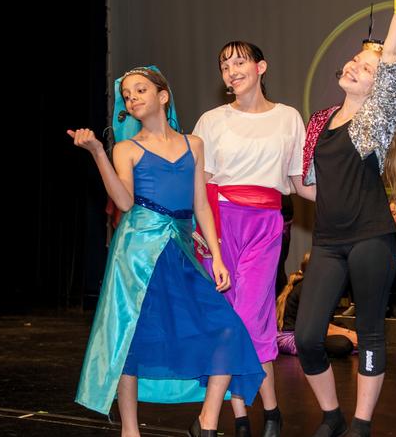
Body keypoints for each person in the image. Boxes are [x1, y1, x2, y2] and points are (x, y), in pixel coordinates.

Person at [68, 66, 264, 437]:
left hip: (180, 248)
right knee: (131, 338)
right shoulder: (125, 148)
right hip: (136, 254)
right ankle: (130, 431)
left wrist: (218, 257)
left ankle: (206, 422)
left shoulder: (194, 144)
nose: (133, 98)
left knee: (226, 329)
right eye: (127, 95)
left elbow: (201, 205)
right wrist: (97, 152)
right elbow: (124, 202)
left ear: (163, 95)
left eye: (140, 89)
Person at [294, 0, 396, 436]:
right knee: (307, 337)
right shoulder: (322, 121)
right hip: (329, 242)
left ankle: (359, 425)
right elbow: (313, 189)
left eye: (365, 65)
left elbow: (393, 52)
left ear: (381, 87)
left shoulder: (372, 121)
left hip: (371, 239)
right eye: (354, 59)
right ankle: (332, 414)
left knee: (371, 333)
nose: (355, 65)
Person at [193, 42, 314, 437]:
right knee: (235, 322)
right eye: (224, 63)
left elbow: (298, 183)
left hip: (265, 224)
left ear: (261, 67)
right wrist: (205, 238)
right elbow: (202, 186)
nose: (231, 69)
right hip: (220, 224)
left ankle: (212, 421)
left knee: (247, 318)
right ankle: (255, 414)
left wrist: (352, 192)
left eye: (239, 61)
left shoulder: (288, 117)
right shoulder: (211, 120)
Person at [276, 253, 358, 357]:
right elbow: (317, 327)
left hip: (306, 333)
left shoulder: (311, 286)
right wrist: (351, 334)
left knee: (340, 326)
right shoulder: (306, 288)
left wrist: (348, 332)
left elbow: (323, 324)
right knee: (344, 344)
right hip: (293, 338)